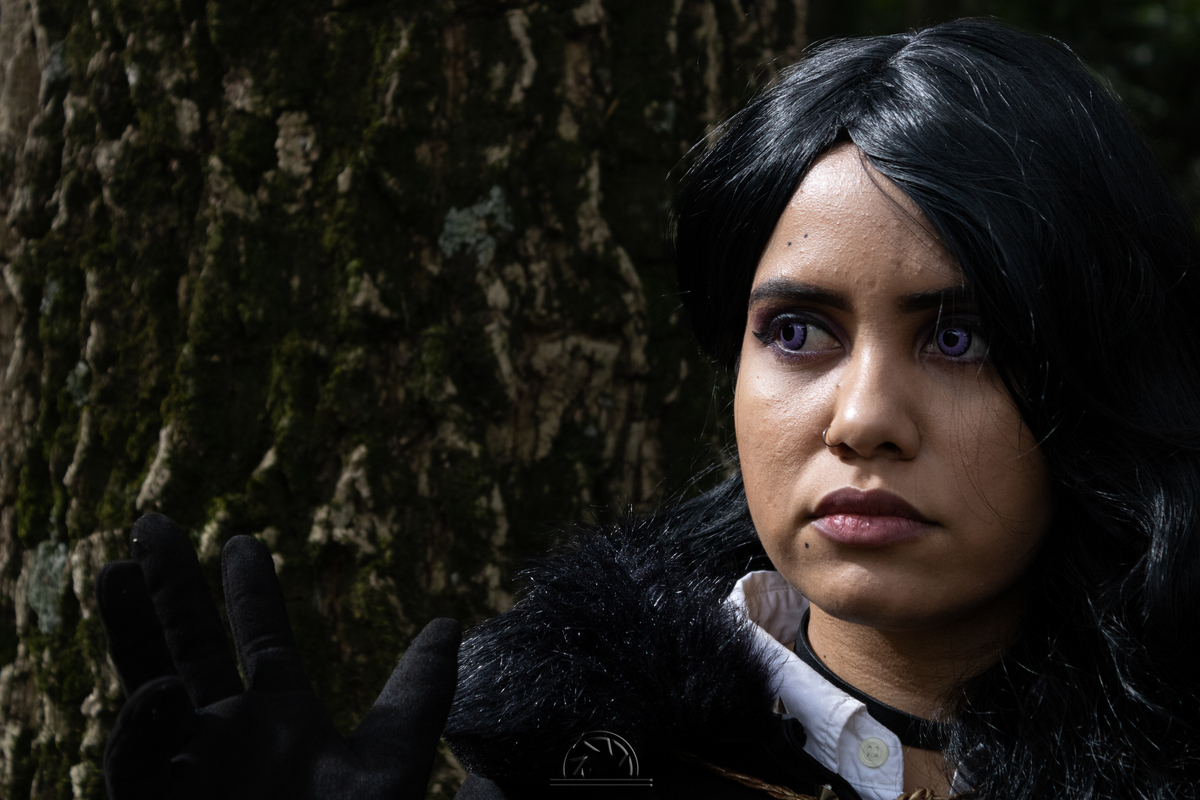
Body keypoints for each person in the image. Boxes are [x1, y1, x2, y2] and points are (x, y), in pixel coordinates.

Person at [96, 17, 1200, 800]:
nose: (864, 418)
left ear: (1099, 372)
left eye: (960, 338)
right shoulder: (576, 761)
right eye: (798, 331)